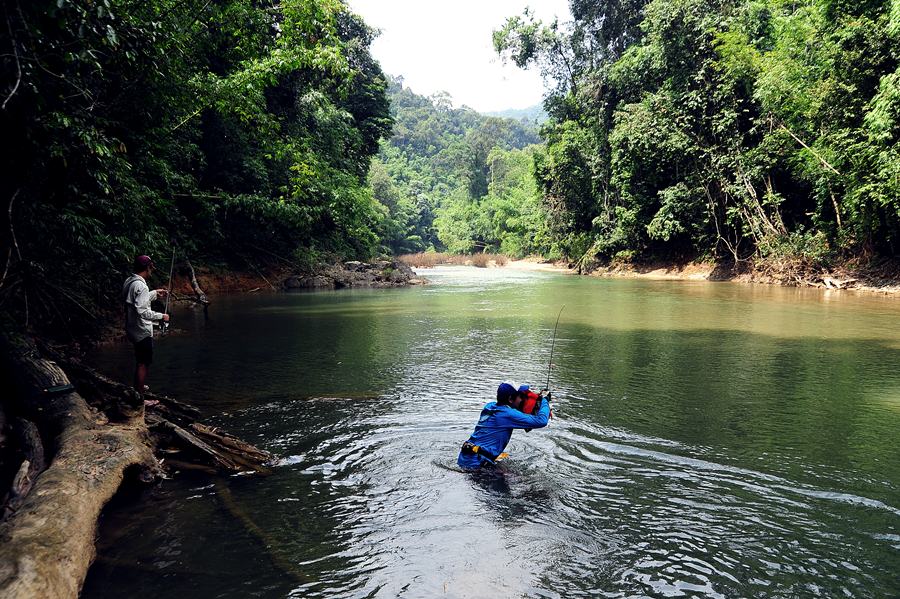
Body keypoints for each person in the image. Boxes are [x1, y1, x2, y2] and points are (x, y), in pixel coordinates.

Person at [457, 381, 551, 470]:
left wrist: (534, 400)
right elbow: (541, 421)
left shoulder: (490, 406)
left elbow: (515, 411)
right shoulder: (507, 414)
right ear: (510, 399)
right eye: (520, 397)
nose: (522, 400)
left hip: (466, 456)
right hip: (476, 464)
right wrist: (544, 400)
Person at [122, 255, 169, 394]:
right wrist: (162, 316)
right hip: (141, 330)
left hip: (132, 327)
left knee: (140, 360)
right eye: (151, 267)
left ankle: (139, 387)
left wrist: (154, 293)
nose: (152, 270)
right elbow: (142, 311)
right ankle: (140, 396)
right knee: (143, 363)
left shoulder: (130, 281)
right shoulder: (141, 286)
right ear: (147, 267)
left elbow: (137, 301)